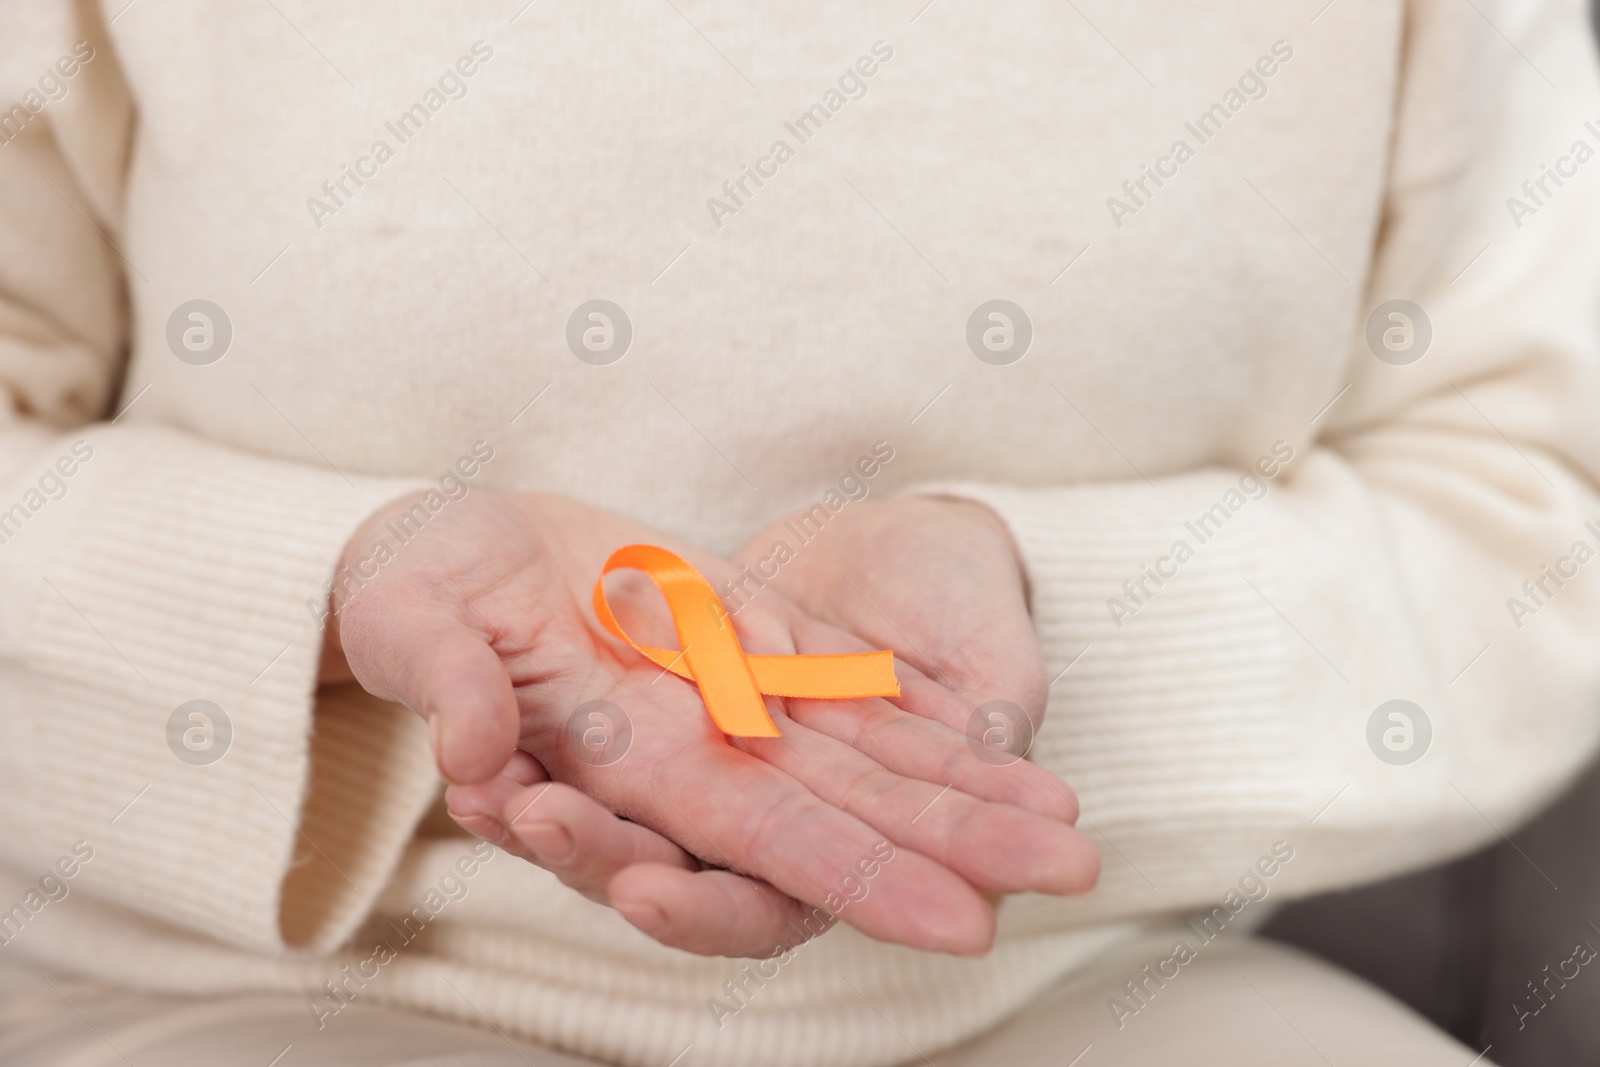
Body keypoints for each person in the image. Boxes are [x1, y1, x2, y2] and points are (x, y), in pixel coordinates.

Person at [0, 0, 1597, 1064]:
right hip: (208, 989)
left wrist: (1051, 610)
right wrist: (327, 596)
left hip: (1083, 986)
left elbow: (1539, 499)